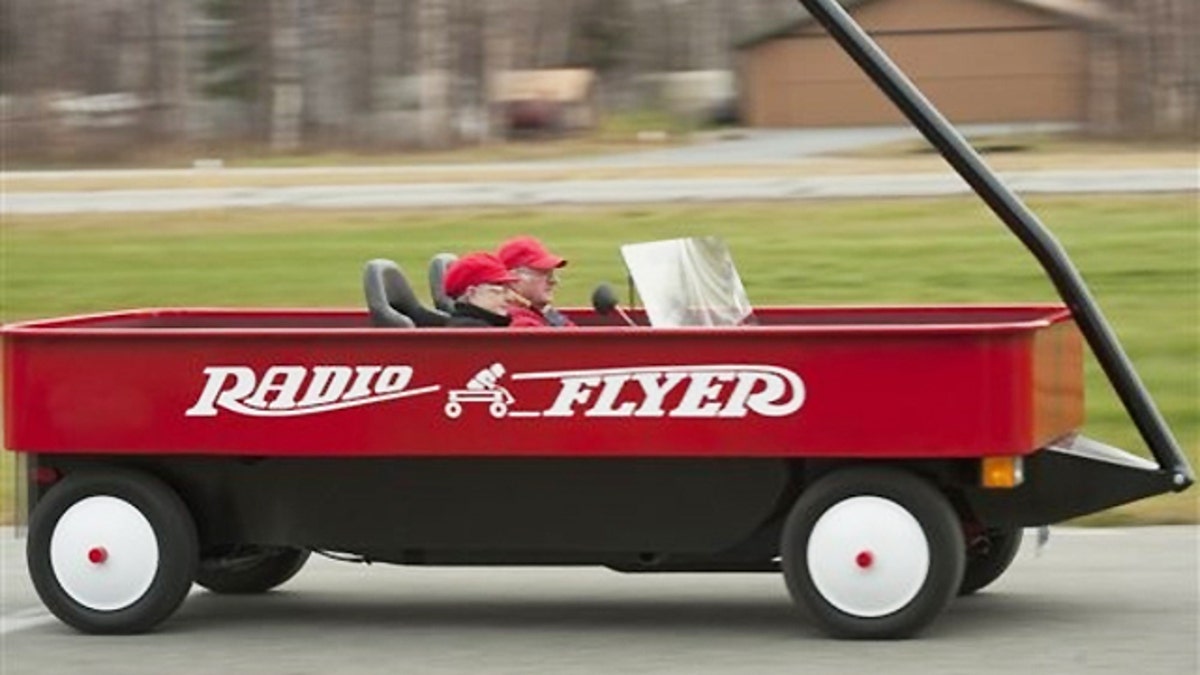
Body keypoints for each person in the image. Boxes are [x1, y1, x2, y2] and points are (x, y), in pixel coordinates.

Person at [496, 235, 575, 327]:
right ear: (513, 278)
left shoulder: (536, 312)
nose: (553, 281)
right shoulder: (522, 323)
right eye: (543, 274)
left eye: (552, 274)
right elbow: (578, 340)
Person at [441, 252, 518, 328]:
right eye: (498, 291)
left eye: (507, 291)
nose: (509, 298)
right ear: (471, 293)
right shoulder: (472, 330)